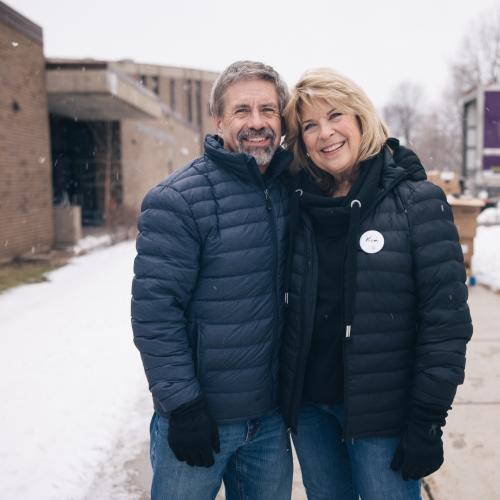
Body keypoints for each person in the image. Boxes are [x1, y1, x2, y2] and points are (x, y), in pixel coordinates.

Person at [280, 68, 473, 500]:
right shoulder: (297, 204)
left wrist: (427, 418)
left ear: (361, 117)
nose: (325, 133)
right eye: (309, 125)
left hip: (384, 415)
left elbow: (446, 321)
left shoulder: (416, 202)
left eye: (335, 116)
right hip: (311, 410)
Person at [131, 61, 293, 500]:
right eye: (242, 111)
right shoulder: (177, 200)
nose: (256, 123)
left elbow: (350, 175)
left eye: (268, 110)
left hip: (270, 423)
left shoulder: (290, 189)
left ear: (282, 120)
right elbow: (154, 312)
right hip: (198, 419)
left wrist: (395, 164)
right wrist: (182, 404)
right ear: (219, 120)